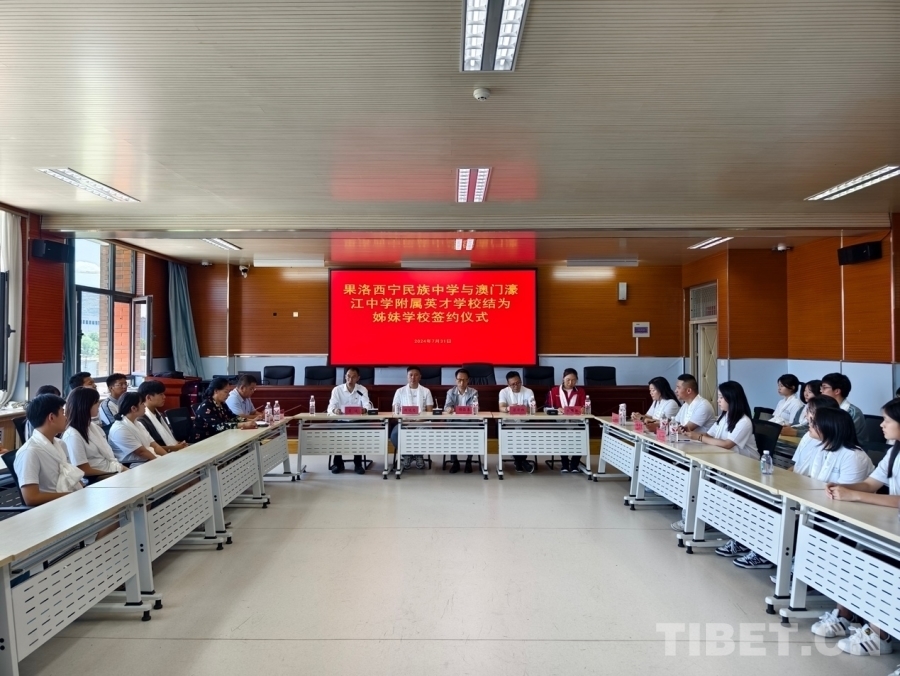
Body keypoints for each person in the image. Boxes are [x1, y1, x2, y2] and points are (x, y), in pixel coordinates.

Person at [811, 398, 900, 656]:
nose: (881, 424)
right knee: (849, 548)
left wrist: (855, 495)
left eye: (887, 420)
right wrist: (844, 487)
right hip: (891, 525)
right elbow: (871, 484)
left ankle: (880, 634)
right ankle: (846, 614)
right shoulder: (894, 452)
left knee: (878, 563)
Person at [675, 381, 758, 538]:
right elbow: (709, 435)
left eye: (721, 397)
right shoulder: (724, 417)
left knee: (705, 483)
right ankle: (697, 519)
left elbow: (727, 444)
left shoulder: (744, 422)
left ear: (731, 398)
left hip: (744, 466)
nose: (718, 401)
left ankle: (706, 520)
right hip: (724, 462)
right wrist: (689, 432)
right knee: (696, 478)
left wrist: (699, 437)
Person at [12, 394, 84, 505]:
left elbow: (71, 477)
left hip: (69, 500)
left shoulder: (60, 444)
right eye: (63, 413)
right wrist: (72, 496)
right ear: (51, 417)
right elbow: (31, 498)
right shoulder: (29, 452)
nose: (66, 417)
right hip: (52, 508)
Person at [62, 386, 126, 478]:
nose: (99, 405)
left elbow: (107, 456)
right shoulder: (72, 435)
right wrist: (115, 473)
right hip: (98, 477)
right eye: (96, 402)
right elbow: (83, 470)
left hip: (111, 470)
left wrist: (121, 469)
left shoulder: (93, 427)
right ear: (85, 406)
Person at [326, 367, 373, 474]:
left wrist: (364, 409)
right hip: (341, 421)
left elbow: (368, 405)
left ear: (358, 378)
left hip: (357, 421)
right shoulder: (337, 390)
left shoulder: (362, 390)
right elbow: (330, 407)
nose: (350, 379)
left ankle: (358, 464)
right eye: (348, 376)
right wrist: (335, 410)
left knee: (358, 434)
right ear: (345, 377)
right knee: (336, 434)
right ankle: (338, 463)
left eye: (353, 377)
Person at [390, 366, 434, 470]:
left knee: (424, 432)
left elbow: (430, 412)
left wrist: (418, 421)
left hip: (422, 422)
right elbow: (394, 411)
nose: (413, 377)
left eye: (416, 375)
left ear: (420, 377)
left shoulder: (426, 391)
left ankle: (419, 455)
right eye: (411, 375)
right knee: (395, 434)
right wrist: (406, 421)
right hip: (403, 422)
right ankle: (406, 455)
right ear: (407, 377)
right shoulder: (400, 391)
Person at [108, 392, 169, 465]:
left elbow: (155, 446)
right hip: (134, 464)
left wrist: (167, 458)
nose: (145, 406)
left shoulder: (138, 423)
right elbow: (141, 452)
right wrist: (161, 462)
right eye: (142, 404)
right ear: (133, 408)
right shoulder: (120, 429)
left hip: (149, 459)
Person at [545, 368, 586, 473]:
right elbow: (547, 407)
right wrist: (557, 409)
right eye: (568, 380)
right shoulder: (554, 391)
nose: (570, 383)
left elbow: (584, 407)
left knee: (581, 436)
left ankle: (574, 464)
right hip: (560, 422)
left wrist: (583, 409)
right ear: (563, 379)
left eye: (573, 380)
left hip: (577, 422)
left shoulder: (580, 391)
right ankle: (564, 464)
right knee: (562, 438)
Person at [191, 377, 257, 443]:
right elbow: (219, 426)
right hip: (203, 441)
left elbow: (232, 417)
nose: (228, 395)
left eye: (228, 392)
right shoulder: (206, 406)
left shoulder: (222, 403)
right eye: (226, 392)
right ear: (216, 391)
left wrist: (250, 420)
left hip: (220, 437)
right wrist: (243, 425)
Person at [498, 370, 535, 473]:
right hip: (509, 423)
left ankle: (519, 461)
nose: (516, 386)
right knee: (514, 435)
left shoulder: (528, 391)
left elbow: (533, 408)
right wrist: (508, 408)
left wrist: (523, 408)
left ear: (521, 381)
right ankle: (522, 461)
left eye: (518, 383)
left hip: (524, 423)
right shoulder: (503, 392)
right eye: (513, 384)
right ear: (508, 384)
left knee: (522, 434)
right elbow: (501, 407)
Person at [137, 380, 189, 453]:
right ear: (149, 397)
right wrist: (174, 448)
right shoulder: (141, 420)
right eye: (160, 394)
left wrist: (178, 444)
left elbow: (168, 438)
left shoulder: (160, 415)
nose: (164, 397)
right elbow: (149, 447)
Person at [445, 368, 479, 474]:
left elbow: (474, 407)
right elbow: (447, 406)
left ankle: (469, 461)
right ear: (455, 380)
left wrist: (458, 409)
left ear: (468, 380)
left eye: (464, 380)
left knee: (473, 434)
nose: (461, 383)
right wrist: (449, 409)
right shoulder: (450, 392)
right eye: (459, 380)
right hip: (454, 421)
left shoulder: (473, 392)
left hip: (469, 421)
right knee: (451, 435)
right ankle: (455, 462)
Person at [820, 372, 867, 442]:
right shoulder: (824, 408)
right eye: (821, 388)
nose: (821, 391)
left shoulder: (853, 412)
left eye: (824, 388)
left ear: (837, 391)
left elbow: (840, 436)